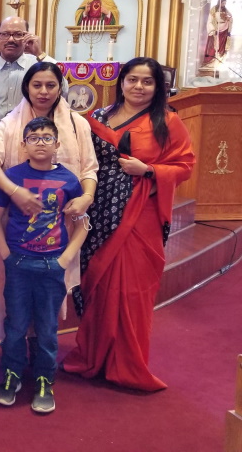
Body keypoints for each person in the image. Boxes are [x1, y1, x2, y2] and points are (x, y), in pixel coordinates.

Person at [0, 62, 98, 375]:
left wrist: (86, 197)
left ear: (60, 88)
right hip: (14, 230)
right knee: (12, 299)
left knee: (47, 304)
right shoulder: (10, 122)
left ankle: (41, 364)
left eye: (51, 85)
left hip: (59, 230)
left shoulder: (77, 124)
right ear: (26, 88)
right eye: (37, 85)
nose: (43, 92)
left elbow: (89, 169)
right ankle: (11, 363)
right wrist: (14, 191)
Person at [63, 57, 195, 391]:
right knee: (97, 284)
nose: (139, 87)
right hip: (98, 210)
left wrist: (149, 170)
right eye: (132, 79)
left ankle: (127, 364)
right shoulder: (98, 117)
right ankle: (92, 356)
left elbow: (185, 165)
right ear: (120, 82)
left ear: (158, 86)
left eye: (147, 81)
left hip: (140, 214)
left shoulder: (167, 121)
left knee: (131, 290)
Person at [0, 117, 88, 414]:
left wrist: (65, 259)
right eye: (34, 138)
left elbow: (82, 223)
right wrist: (6, 254)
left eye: (47, 138)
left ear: (57, 144)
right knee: (15, 325)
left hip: (51, 265)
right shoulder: (12, 177)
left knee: (47, 328)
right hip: (18, 263)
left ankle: (45, 378)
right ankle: (12, 373)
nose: (41, 143)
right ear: (24, 145)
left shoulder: (70, 180)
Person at [0, 17, 67, 119]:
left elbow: (63, 90)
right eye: (5, 34)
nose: (11, 39)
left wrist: (40, 54)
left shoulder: (38, 65)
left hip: (30, 127)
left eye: (18, 34)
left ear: (27, 37)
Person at [203, 0, 233, 68]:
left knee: (222, 45)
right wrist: (212, 29)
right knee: (214, 44)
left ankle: (220, 60)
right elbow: (210, 19)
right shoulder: (214, 9)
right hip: (216, 28)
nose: (224, 5)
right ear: (219, 2)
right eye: (223, 3)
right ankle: (211, 61)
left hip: (225, 28)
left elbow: (230, 16)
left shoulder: (225, 9)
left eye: (225, 3)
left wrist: (228, 19)